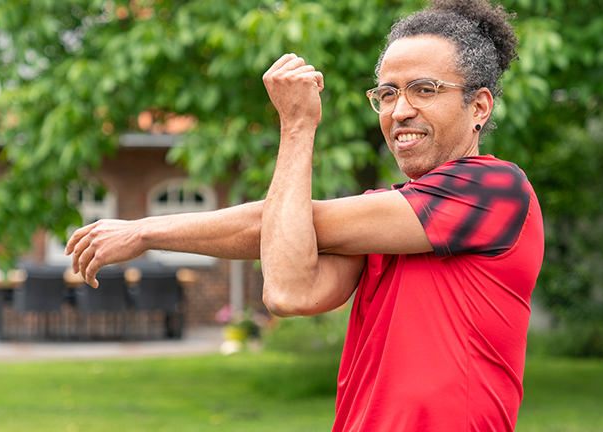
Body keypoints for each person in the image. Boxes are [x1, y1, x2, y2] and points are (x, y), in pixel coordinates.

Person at [66, 0, 544, 430]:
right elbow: (290, 289)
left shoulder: (495, 190)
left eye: (424, 89)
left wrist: (297, 125)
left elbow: (279, 223)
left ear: (479, 106)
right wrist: (144, 232)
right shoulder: (387, 220)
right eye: (387, 93)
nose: (400, 110)